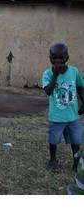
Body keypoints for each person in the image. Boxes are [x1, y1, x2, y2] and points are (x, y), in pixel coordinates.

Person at [42, 43, 84, 172]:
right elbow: (48, 91)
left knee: (76, 141)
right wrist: (55, 75)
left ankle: (76, 162)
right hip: (56, 117)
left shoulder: (74, 71)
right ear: (50, 58)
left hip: (73, 116)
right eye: (54, 58)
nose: (58, 61)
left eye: (61, 58)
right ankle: (53, 159)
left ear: (67, 58)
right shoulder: (48, 74)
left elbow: (80, 87)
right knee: (53, 140)